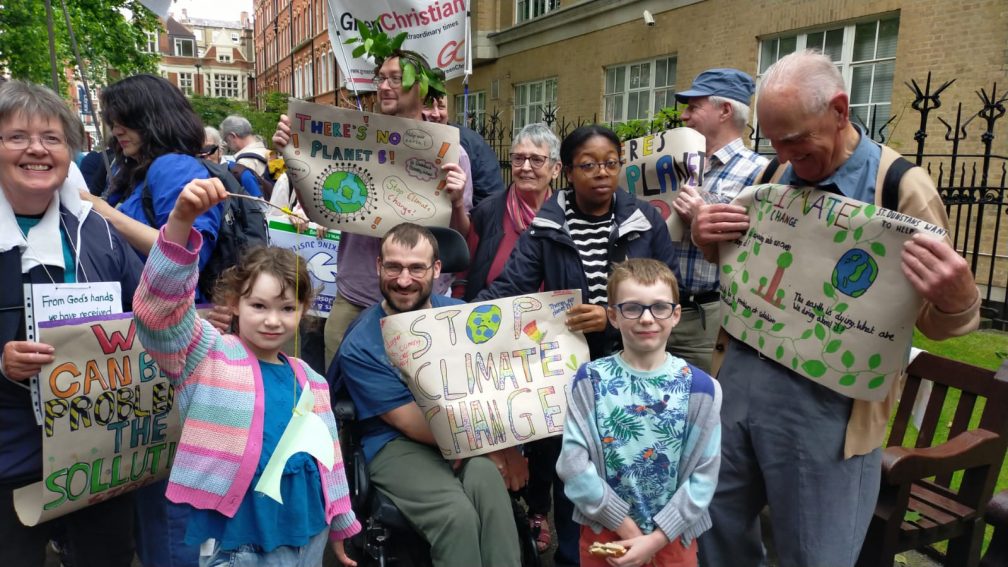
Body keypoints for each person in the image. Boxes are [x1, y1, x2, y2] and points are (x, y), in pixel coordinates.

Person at [692, 51, 981, 567]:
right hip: (740, 381)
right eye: (773, 141)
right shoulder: (778, 169)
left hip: (829, 409)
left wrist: (959, 299)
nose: (782, 155)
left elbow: (937, 320)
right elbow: (752, 268)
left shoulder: (901, 189)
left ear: (841, 110)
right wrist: (708, 239)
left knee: (816, 554)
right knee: (716, 532)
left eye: (797, 142)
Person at [132, 177, 360, 566]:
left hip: (309, 537)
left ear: (304, 309)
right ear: (235, 303)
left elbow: (329, 461)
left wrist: (341, 522)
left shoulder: (312, 380)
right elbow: (158, 312)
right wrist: (181, 222)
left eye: (287, 308)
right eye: (259, 306)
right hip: (239, 543)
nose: (273, 320)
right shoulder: (206, 354)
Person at [83, 73, 225, 567]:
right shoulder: (138, 171)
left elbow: (191, 252)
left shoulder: (174, 168)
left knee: (168, 496)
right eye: (111, 120)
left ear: (150, 116)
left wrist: (104, 211)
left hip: (173, 347)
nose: (114, 129)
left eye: (123, 118)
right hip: (141, 345)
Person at [0, 80, 143, 566]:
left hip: (97, 453)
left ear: (69, 151)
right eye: (17, 136)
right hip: (9, 454)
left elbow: (146, 308)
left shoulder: (97, 229)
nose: (37, 149)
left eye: (52, 138)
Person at [334, 222, 521, 566]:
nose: (404, 280)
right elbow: (410, 422)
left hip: (463, 428)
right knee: (456, 515)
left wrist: (505, 449)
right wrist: (487, 447)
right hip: (397, 442)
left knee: (490, 489)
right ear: (379, 266)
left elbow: (493, 386)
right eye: (394, 267)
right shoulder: (360, 343)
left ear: (436, 269)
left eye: (416, 268)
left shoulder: (459, 316)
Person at [273, 50, 474, 368]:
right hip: (354, 294)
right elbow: (316, 212)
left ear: (420, 89)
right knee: (340, 389)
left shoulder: (451, 153)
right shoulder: (353, 141)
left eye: (397, 78)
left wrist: (459, 200)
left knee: (413, 391)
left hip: (416, 297)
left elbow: (459, 235)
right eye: (381, 78)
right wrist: (294, 158)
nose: (384, 86)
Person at [557, 258, 721, 567]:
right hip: (604, 535)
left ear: (675, 315)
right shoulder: (588, 381)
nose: (647, 319)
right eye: (632, 308)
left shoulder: (703, 390)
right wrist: (624, 525)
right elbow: (573, 465)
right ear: (613, 317)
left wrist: (657, 538)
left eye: (659, 307)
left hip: (673, 539)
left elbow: (704, 476)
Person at [476, 124, 680, 360]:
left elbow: (671, 290)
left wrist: (612, 318)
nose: (602, 172)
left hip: (635, 354)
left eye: (611, 163)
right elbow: (511, 288)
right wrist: (450, 318)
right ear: (569, 173)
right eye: (588, 165)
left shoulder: (645, 219)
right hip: (570, 358)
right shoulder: (548, 226)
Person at [454, 121, 562, 554]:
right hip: (493, 334)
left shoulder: (566, 213)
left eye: (537, 159)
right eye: (518, 158)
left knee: (545, 430)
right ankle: (500, 503)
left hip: (548, 337)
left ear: (554, 168)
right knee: (497, 422)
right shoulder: (490, 209)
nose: (526, 166)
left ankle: (537, 508)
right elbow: (466, 266)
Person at [668, 68, 768, 373]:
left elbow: (761, 253)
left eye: (693, 107)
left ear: (724, 110)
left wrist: (703, 217)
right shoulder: (676, 162)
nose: (684, 116)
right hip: (657, 311)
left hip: (707, 317)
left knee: (702, 407)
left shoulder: (760, 173)